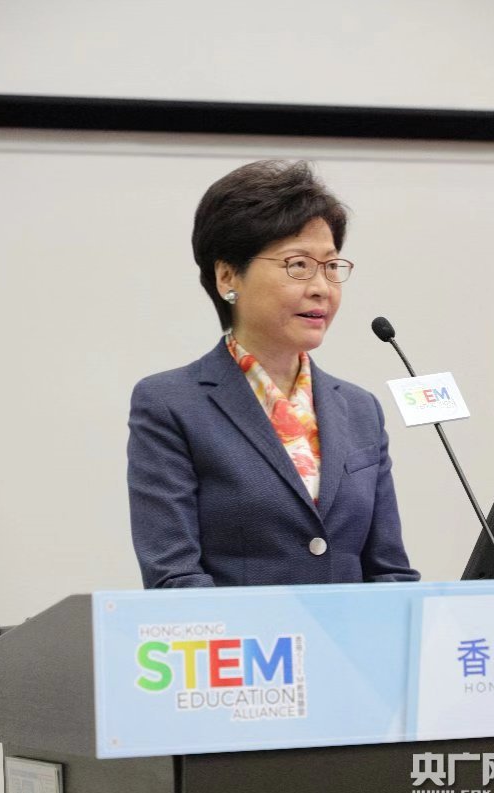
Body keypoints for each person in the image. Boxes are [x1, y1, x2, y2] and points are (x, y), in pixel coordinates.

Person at [127, 160, 419, 588]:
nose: (321, 287)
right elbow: (175, 579)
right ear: (228, 276)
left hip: (356, 633)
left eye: (331, 266)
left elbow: (389, 571)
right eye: (298, 265)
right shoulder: (171, 404)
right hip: (238, 634)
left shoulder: (361, 409)